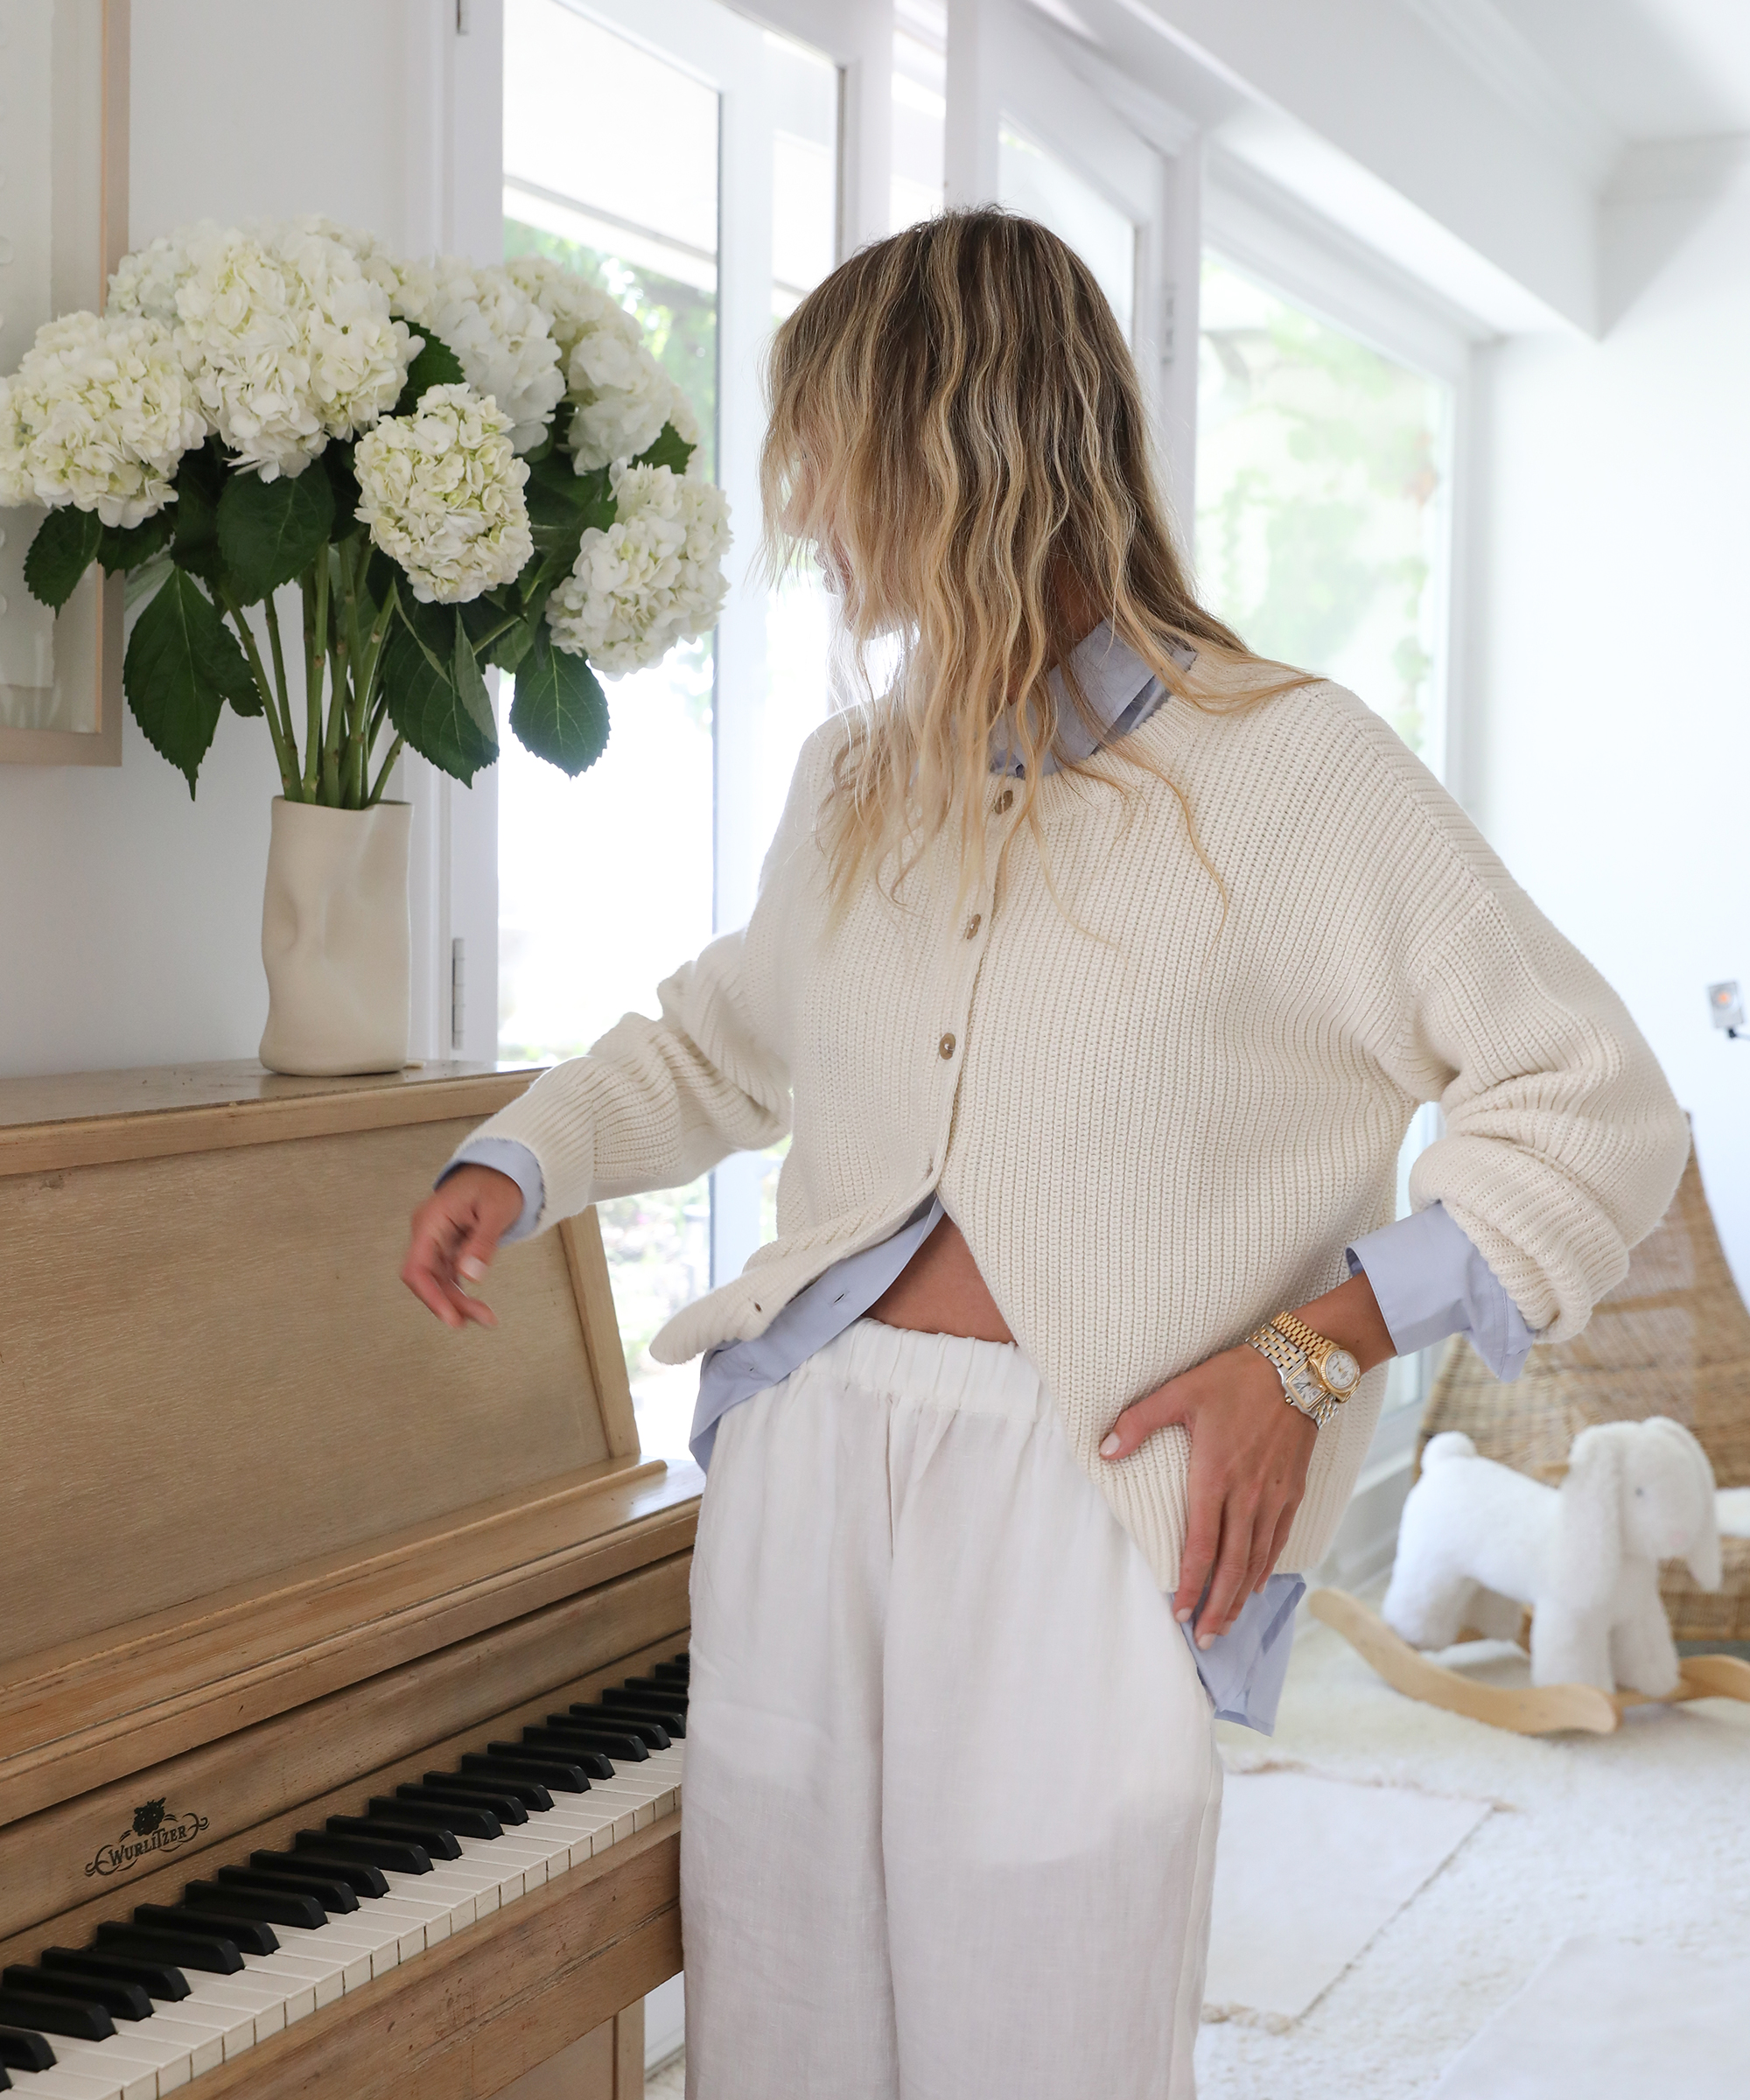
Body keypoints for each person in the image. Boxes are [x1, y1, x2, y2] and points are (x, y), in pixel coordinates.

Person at [401, 211, 1687, 2100]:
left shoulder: (1295, 770)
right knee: (781, 2027)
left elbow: (1590, 1099)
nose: (808, 510)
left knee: (1046, 2040)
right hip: (812, 1464)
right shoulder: (856, 779)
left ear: (951, 447)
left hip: (1091, 1487)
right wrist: (518, 1163)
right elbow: (721, 1039)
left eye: (830, 451)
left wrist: (1311, 1346)